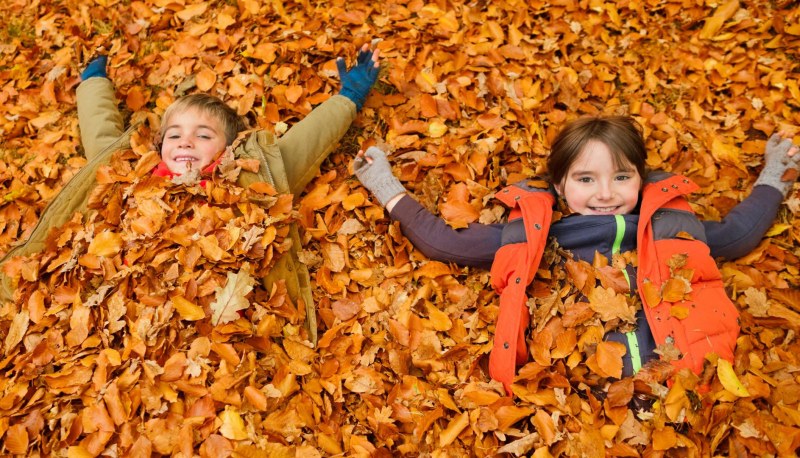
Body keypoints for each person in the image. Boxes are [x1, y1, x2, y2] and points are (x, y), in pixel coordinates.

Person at [353, 116, 800, 395]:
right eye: (586, 179)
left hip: (683, 385)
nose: (606, 194)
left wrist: (776, 176)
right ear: (560, 187)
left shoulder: (675, 228)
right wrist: (386, 187)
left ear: (641, 181)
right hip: (576, 391)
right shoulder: (538, 234)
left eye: (621, 177)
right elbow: (446, 244)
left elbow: (738, 235)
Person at [0, 45, 382, 343]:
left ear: (228, 149)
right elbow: (99, 135)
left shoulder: (249, 181)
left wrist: (350, 95)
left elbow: (305, 142)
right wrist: (94, 83)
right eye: (175, 134)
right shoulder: (132, 174)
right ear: (159, 144)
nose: (186, 142)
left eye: (203, 135)